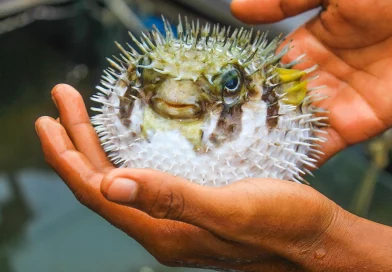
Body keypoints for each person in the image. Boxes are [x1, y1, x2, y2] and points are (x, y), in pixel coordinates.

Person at [35, 0, 392, 271]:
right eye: (148, 78)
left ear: (268, 95)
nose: (177, 97)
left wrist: (325, 238)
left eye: (230, 85)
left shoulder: (283, 104)